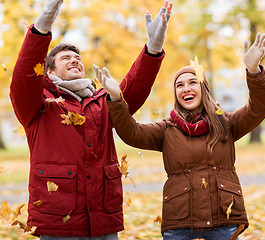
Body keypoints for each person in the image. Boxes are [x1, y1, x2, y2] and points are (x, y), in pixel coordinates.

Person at [10, 0, 172, 239]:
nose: (75, 60)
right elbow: (24, 77)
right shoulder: (37, 103)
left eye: (77, 57)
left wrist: (153, 47)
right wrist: (43, 24)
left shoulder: (102, 101)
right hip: (58, 221)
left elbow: (134, 88)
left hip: (102, 218)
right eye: (65, 58)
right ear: (50, 72)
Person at [96, 32, 265, 239]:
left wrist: (253, 71)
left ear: (204, 88)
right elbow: (131, 132)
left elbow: (258, 108)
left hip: (223, 218)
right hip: (180, 220)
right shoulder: (166, 129)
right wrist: (116, 99)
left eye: (192, 82)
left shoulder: (226, 123)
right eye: (180, 85)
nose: (186, 89)